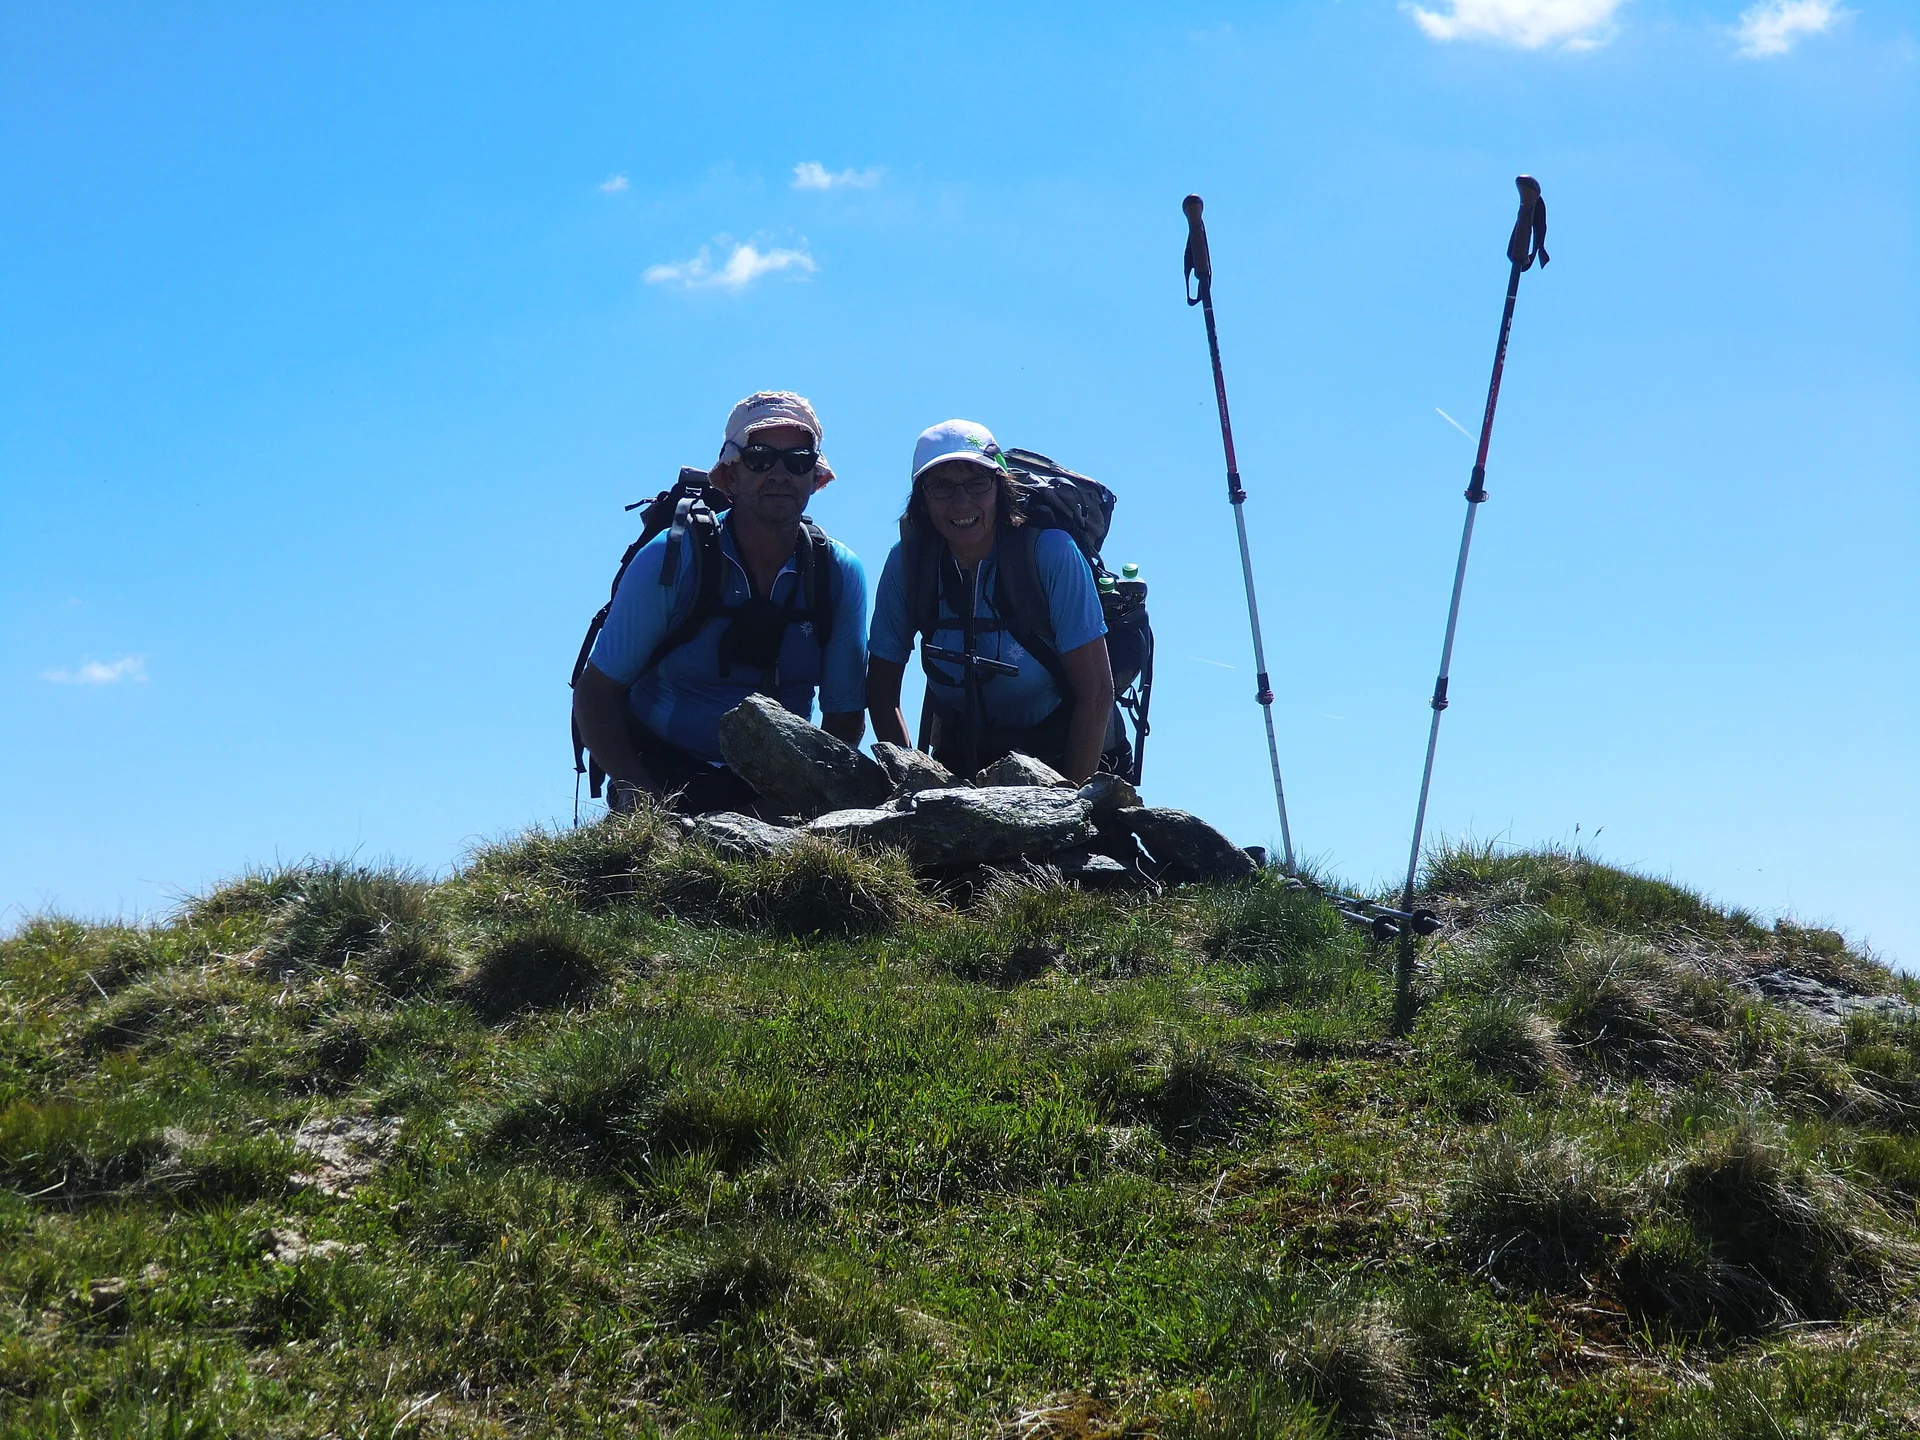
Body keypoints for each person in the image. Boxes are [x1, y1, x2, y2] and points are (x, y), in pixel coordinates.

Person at [573, 392, 868, 814]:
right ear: (730, 476)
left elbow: (844, 715)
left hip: (779, 788)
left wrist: (780, 809)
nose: (780, 474)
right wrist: (640, 794)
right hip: (660, 773)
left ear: (815, 478)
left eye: (798, 460)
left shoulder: (838, 573)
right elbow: (596, 692)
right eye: (760, 458)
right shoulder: (671, 558)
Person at [866, 419, 1116, 783]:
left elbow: (1096, 694)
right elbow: (880, 689)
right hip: (958, 755)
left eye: (977, 482)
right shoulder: (908, 564)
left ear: (1001, 487)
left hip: (1067, 754)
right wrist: (910, 783)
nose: (961, 502)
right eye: (941, 486)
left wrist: (1071, 805)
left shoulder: (1050, 553)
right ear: (921, 499)